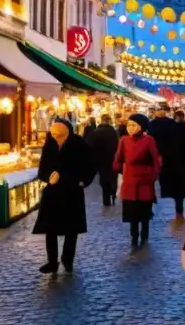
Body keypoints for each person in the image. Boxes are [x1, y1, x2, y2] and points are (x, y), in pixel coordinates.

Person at [33, 118, 94, 274]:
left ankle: (68, 259)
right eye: (54, 134)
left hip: (72, 191)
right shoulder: (50, 144)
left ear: (67, 132)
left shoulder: (79, 144)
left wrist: (84, 181)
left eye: (59, 134)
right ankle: (52, 261)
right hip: (53, 192)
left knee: (71, 229)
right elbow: (42, 168)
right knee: (50, 229)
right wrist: (47, 177)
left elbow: (91, 165)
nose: (56, 137)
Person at [114, 113, 161, 246]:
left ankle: (144, 234)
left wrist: (152, 176)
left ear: (141, 127)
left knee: (144, 212)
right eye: (128, 125)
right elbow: (118, 158)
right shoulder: (124, 140)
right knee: (132, 213)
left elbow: (155, 160)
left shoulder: (149, 140)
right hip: (129, 182)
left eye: (133, 125)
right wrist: (117, 168)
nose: (130, 128)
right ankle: (134, 236)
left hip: (144, 182)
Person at [158, 110, 185, 218]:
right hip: (184, 162)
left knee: (174, 184)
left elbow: (162, 145)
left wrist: (164, 156)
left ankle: (178, 204)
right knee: (183, 182)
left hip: (171, 162)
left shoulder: (168, 129)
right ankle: (180, 204)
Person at [86, 114, 121, 207]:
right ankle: (113, 194)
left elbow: (89, 146)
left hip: (101, 160)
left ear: (101, 120)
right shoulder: (113, 132)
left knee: (104, 179)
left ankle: (106, 200)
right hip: (112, 158)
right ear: (109, 121)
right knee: (113, 178)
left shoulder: (96, 132)